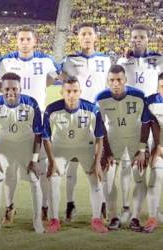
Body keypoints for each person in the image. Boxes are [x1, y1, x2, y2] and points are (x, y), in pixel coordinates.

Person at [0, 26, 61, 223]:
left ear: (34, 41)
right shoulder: (6, 61)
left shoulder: (45, 60)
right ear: (17, 41)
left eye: (28, 39)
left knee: (42, 166)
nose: (25, 42)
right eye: (21, 39)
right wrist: (9, 96)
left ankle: (44, 207)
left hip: (38, 120)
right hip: (12, 120)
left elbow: (57, 77)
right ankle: (10, 207)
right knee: (10, 168)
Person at [43, 76, 107, 234]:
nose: (71, 95)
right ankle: (54, 220)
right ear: (61, 92)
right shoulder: (51, 110)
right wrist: (51, 161)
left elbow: (99, 138)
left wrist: (97, 162)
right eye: (68, 91)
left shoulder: (92, 109)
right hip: (61, 147)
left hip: (85, 146)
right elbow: (46, 138)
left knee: (96, 179)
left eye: (75, 91)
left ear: (80, 92)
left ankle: (97, 219)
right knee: (54, 179)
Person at [61, 23, 111, 221]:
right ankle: (70, 204)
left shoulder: (106, 60)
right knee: (72, 163)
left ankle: (103, 204)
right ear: (78, 38)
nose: (87, 37)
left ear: (96, 37)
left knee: (103, 162)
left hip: (100, 118)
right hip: (76, 118)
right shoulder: (69, 61)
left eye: (90, 33)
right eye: (83, 34)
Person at [0, 72, 44, 234]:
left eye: (14, 88)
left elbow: (38, 134)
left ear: (20, 88)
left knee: (33, 177)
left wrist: (34, 159)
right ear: (1, 89)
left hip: (26, 143)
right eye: (7, 89)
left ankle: (37, 220)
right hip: (5, 144)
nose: (10, 92)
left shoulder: (31, 103)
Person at [117, 24, 163, 222]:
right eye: (134, 37)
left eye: (141, 37)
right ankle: (127, 207)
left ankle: (154, 210)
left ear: (147, 39)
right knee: (128, 165)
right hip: (130, 120)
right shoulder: (123, 61)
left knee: (155, 163)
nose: (138, 40)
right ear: (130, 39)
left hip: (153, 117)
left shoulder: (158, 60)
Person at [96, 65, 150, 232]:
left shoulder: (139, 95)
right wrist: (107, 150)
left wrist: (142, 149)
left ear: (125, 80)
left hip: (135, 139)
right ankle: (113, 217)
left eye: (119, 80)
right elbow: (99, 126)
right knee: (108, 178)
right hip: (113, 139)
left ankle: (135, 217)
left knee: (139, 177)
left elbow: (146, 123)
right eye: (112, 80)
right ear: (107, 81)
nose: (116, 84)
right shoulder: (101, 98)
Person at [143, 72, 163, 233]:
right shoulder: (150, 101)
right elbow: (151, 126)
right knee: (155, 178)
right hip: (158, 146)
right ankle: (152, 217)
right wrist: (149, 149)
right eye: (162, 86)